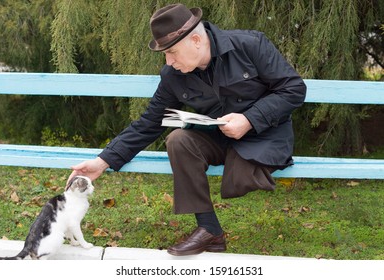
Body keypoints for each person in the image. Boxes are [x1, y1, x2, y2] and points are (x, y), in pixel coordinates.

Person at [68, 3, 307, 256]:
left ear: (195, 40)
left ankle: (232, 194)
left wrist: (249, 119)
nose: (169, 61)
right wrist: (102, 161)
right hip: (219, 138)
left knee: (242, 163)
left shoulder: (249, 45)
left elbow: (293, 89)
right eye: (165, 54)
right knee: (178, 139)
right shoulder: (173, 74)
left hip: (263, 136)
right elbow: (150, 122)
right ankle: (209, 230)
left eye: (171, 52)